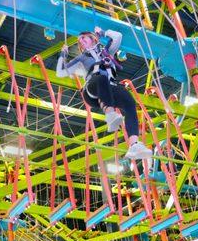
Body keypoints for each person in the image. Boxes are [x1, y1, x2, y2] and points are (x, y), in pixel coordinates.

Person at [56, 27, 152, 160]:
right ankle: (110, 114)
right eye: (79, 40)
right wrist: (63, 55)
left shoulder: (106, 52)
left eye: (83, 38)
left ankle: (134, 144)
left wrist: (103, 33)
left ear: (93, 38)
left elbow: (117, 36)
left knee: (129, 102)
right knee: (100, 77)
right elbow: (60, 72)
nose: (81, 41)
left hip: (109, 89)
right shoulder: (81, 58)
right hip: (92, 90)